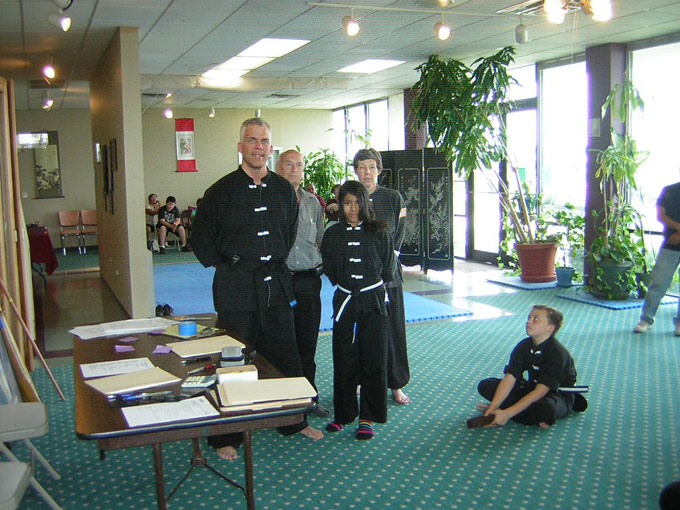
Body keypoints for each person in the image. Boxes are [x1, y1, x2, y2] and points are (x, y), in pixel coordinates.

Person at [191, 118, 323, 460]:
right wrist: (229, 265)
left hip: (276, 284)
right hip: (236, 285)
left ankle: (291, 421)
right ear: (241, 147)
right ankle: (226, 435)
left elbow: (289, 232)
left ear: (270, 147)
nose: (258, 147)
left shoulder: (283, 190)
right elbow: (200, 237)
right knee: (233, 358)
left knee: (285, 354)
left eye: (264, 141)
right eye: (252, 140)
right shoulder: (221, 190)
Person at [321, 180, 395, 440]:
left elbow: (388, 268)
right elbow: (329, 267)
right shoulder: (333, 234)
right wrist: (347, 285)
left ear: (365, 203)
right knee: (344, 359)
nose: (352, 208)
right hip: (345, 302)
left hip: (373, 302)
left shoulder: (380, 231)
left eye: (357, 203)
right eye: (347, 203)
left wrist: (368, 287)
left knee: (374, 361)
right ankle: (343, 414)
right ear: (341, 205)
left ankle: (368, 417)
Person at [353, 148, 411, 405]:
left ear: (378, 169)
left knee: (393, 329)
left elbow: (400, 232)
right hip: (359, 275)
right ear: (355, 170)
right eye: (362, 167)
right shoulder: (351, 197)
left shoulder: (393, 197)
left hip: (388, 273)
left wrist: (387, 262)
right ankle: (360, 379)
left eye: (372, 167)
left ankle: (396, 383)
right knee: (362, 330)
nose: (367, 172)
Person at [277, 150, 329, 418]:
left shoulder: (313, 203)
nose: (294, 169)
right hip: (280, 281)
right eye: (288, 164)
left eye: (298, 165)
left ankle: (309, 398)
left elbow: (319, 239)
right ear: (278, 168)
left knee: (307, 343)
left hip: (309, 281)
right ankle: (283, 403)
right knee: (281, 344)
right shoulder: (270, 199)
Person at [476, 305, 587, 428]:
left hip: (556, 394)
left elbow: (541, 391)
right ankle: (513, 412)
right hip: (532, 388)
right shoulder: (524, 346)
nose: (529, 322)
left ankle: (515, 412)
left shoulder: (557, 353)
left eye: (536, 319)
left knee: (544, 408)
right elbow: (510, 377)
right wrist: (493, 407)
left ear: (550, 328)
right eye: (529, 318)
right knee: (486, 385)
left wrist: (507, 414)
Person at [634, 179, 680, 335]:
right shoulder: (669, 190)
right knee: (658, 283)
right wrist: (678, 227)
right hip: (670, 245)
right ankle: (646, 319)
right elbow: (660, 215)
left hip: (674, 239)